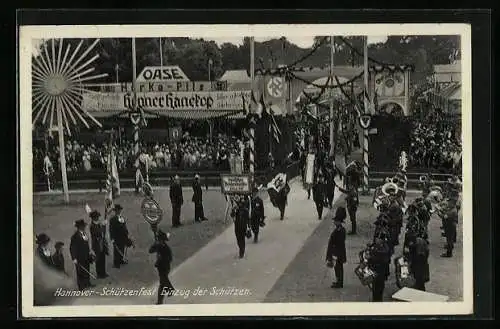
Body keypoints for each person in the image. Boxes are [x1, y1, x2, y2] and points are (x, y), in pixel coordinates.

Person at [149, 229, 174, 304]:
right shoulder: (161, 245)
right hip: (163, 266)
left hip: (164, 267)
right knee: (162, 283)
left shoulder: (162, 246)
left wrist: (155, 244)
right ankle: (161, 300)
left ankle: (170, 290)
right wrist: (155, 244)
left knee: (163, 281)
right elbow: (151, 250)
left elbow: (151, 250)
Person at [70, 219, 95, 290]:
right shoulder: (75, 236)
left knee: (87, 269)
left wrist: (90, 251)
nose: (84, 227)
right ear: (79, 227)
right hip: (79, 257)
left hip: (86, 255)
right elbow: (72, 247)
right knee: (80, 272)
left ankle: (87, 283)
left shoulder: (84, 234)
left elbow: (86, 244)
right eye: (83, 226)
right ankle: (81, 287)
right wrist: (74, 258)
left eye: (84, 226)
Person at [326, 207, 347, 288]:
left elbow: (339, 243)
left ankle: (339, 282)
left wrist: (335, 253)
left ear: (339, 222)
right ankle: (338, 280)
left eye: (335, 221)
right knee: (337, 268)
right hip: (337, 251)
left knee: (338, 268)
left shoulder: (340, 230)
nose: (334, 222)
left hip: (338, 252)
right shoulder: (339, 229)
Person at [368, 235, 391, 302]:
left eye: (377, 239)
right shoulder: (377, 246)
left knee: (378, 287)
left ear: (381, 240)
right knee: (375, 287)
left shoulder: (383, 248)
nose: (375, 240)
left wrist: (371, 256)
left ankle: (377, 300)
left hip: (380, 271)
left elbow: (382, 259)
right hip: (376, 270)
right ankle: (375, 299)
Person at [89, 210, 109, 279]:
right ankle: (99, 273)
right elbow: (97, 233)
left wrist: (103, 226)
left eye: (98, 216)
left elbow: (103, 232)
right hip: (96, 244)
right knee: (98, 259)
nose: (98, 218)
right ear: (93, 217)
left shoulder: (98, 223)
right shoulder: (92, 225)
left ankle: (103, 272)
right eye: (96, 217)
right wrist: (103, 225)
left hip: (101, 242)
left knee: (102, 258)